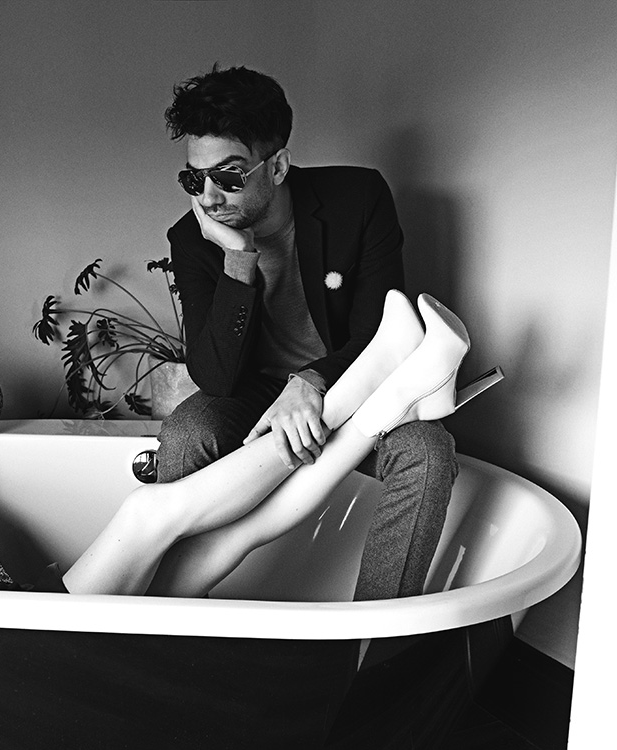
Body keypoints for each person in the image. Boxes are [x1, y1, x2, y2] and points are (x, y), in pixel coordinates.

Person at [0, 290, 478, 598]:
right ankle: (381, 376)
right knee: (148, 515)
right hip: (8, 647)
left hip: (36, 618)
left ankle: (388, 388)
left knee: (233, 537)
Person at [158, 64, 459, 600]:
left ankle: (372, 637)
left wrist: (312, 381)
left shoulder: (357, 199)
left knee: (429, 452)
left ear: (277, 166)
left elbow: (382, 330)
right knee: (186, 433)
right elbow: (215, 377)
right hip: (254, 397)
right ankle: (175, 621)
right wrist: (237, 258)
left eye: (229, 177)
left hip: (356, 388)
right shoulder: (193, 238)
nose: (209, 198)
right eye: (193, 179)